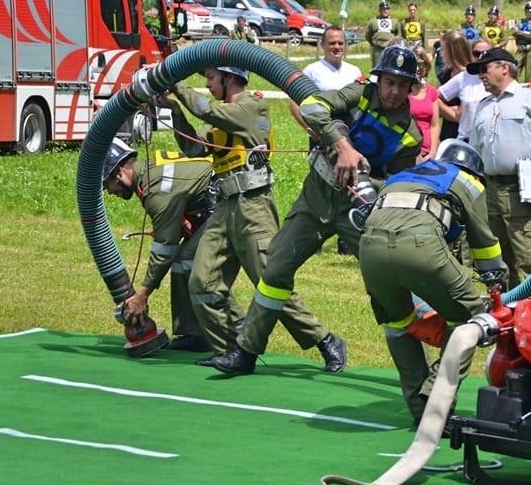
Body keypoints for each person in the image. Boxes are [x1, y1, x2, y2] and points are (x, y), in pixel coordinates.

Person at [210, 46, 422, 376]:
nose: (393, 91)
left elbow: (395, 188)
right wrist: (343, 147)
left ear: (412, 88)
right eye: (389, 81)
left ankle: (416, 373)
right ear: (379, 79)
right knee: (276, 267)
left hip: (358, 212)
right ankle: (246, 352)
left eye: (402, 84)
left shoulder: (410, 137)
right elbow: (311, 106)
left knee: (386, 287)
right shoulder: (360, 91)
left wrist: (368, 181)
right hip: (316, 196)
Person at [162, 66, 347, 374]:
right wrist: (174, 113)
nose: (208, 84)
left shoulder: (251, 106)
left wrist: (177, 88)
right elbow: (196, 147)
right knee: (201, 278)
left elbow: (207, 111)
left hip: (253, 207)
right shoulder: (223, 114)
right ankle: (231, 350)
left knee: (270, 282)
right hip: (224, 207)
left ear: (229, 78)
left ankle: (325, 340)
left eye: (210, 78)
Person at [359, 140, 505, 423]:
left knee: (397, 322)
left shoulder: (405, 174)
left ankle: (418, 409)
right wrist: (496, 283)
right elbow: (484, 244)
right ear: (475, 173)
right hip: (420, 245)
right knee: (470, 319)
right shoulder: (467, 182)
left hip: (369, 247)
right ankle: (435, 395)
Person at [102, 139, 238, 353]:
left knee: (194, 265)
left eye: (106, 184)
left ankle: (235, 336)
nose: (109, 192)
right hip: (218, 202)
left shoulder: (155, 190)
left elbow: (164, 249)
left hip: (232, 206)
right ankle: (195, 333)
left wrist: (142, 295)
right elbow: (190, 189)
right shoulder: (150, 171)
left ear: (118, 173)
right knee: (184, 261)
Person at [464, 47, 531, 288]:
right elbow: (475, 153)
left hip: (522, 190)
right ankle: (507, 314)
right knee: (498, 263)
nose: (481, 76)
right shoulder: (483, 106)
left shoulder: (530, 94)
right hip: (490, 191)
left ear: (504, 68)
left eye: (484, 69)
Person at [435, 31, 473, 141]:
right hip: (447, 135)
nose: (441, 53)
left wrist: (442, 108)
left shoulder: (470, 77)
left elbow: (464, 116)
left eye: (444, 49)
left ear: (453, 51)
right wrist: (452, 111)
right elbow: (432, 102)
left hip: (467, 137)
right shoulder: (444, 74)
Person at [302, 26, 362, 91]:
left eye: (340, 43)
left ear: (345, 45)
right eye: (332, 43)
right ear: (322, 45)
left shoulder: (355, 71)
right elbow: (296, 100)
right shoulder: (311, 71)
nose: (337, 46)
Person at [408, 46, 441, 159]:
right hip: (408, 153)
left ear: (426, 68)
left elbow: (435, 125)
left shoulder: (432, 92)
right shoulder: (402, 91)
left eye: (421, 64)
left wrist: (432, 152)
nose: (418, 68)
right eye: (414, 64)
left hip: (428, 153)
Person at [365, 0, 401, 65]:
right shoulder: (373, 21)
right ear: (380, 10)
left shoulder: (395, 22)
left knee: (390, 66)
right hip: (377, 49)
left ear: (389, 10)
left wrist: (394, 44)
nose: (385, 10)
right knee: (377, 67)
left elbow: (398, 34)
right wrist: (373, 43)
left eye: (387, 9)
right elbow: (368, 35)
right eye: (383, 9)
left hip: (390, 49)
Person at [514, 1, 531, 82]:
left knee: (528, 72)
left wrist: (520, 33)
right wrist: (526, 34)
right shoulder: (519, 22)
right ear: (525, 12)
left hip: (530, 50)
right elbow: (514, 32)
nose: (530, 13)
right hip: (520, 49)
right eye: (528, 11)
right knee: (515, 70)